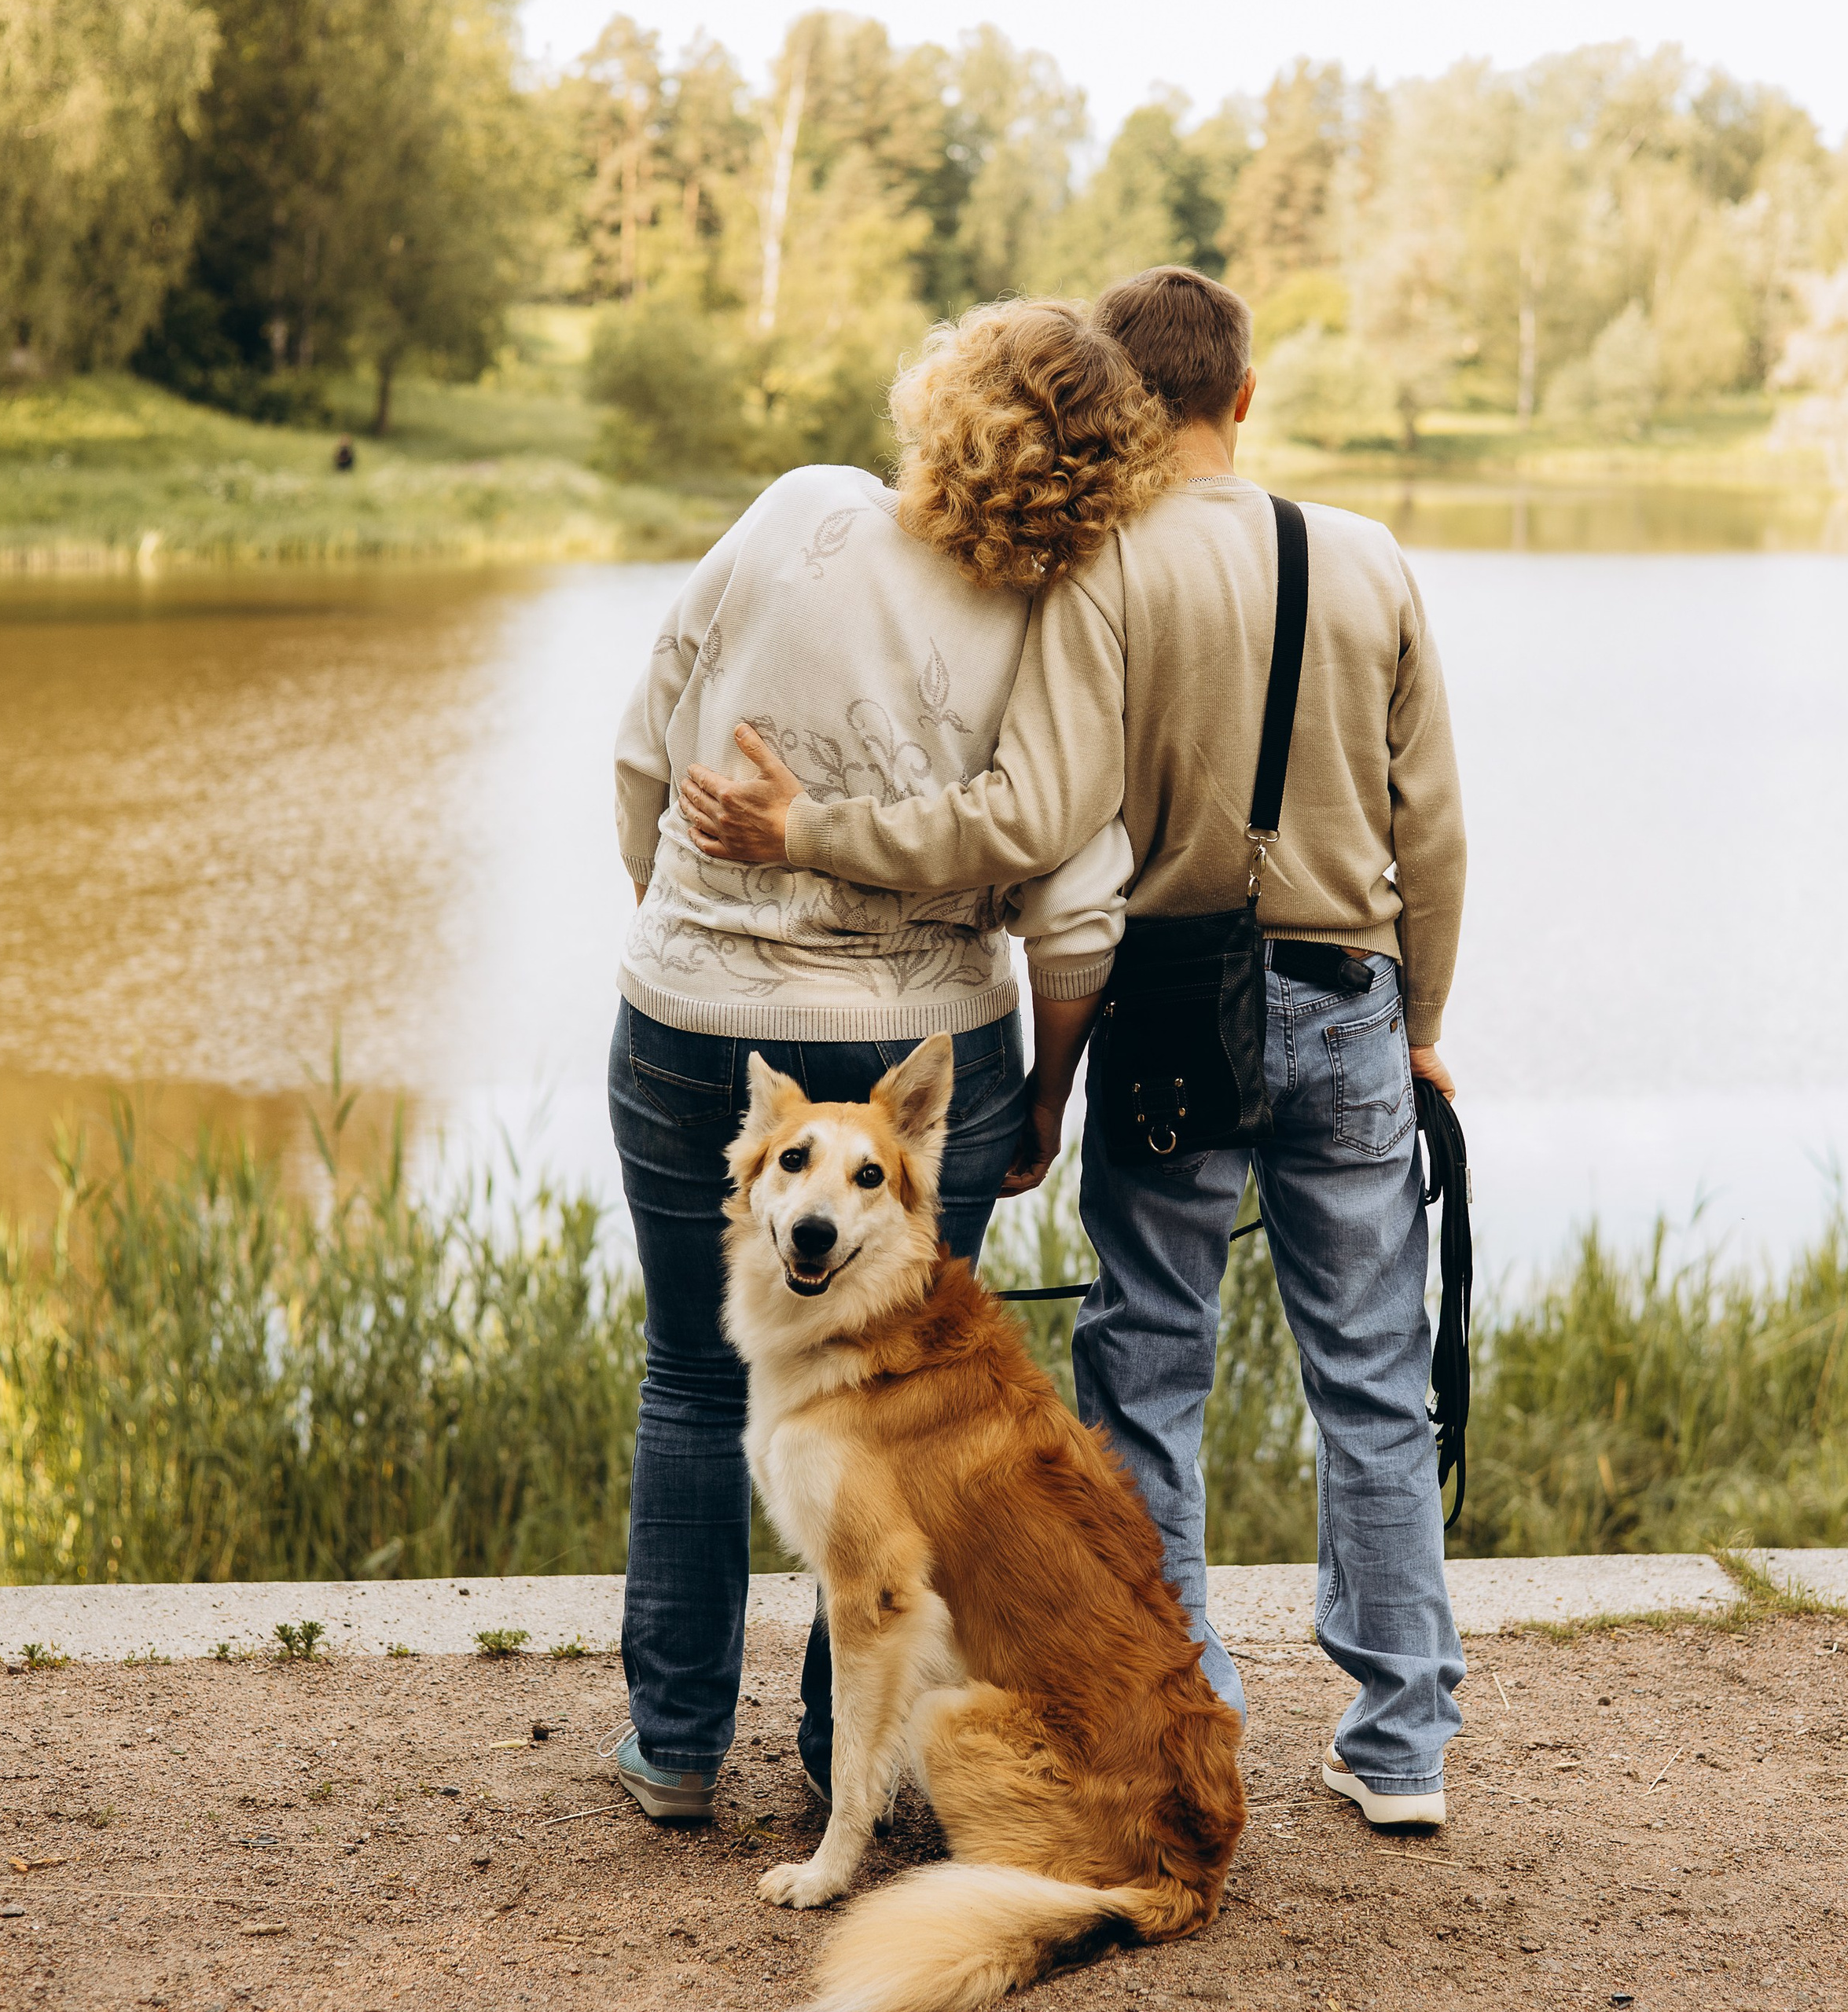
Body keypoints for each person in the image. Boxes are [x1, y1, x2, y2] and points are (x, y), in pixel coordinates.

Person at [681, 266, 1469, 1828]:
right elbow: (1430, 826)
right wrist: (1423, 1026)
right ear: (1243, 395)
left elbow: (1048, 830)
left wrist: (1043, 1084)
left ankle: (1193, 1711)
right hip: (1352, 995)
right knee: (1377, 1385)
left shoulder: (1105, 565)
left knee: (1149, 1376)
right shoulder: (1367, 557)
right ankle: (1401, 1750)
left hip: (1174, 1009)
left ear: (1125, 400)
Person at [605, 299, 1170, 1825]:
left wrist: (675, 926)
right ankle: (832, 1753)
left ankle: (672, 1747)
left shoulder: (800, 507)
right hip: (922, 1053)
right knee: (892, 1401)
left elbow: (648, 735)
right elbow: (1072, 908)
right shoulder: (1059, 611)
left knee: (687, 1369)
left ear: (941, 401)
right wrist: (1045, 1093)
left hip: (691, 1018)